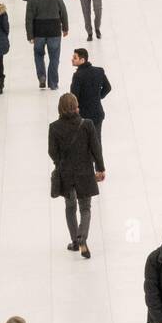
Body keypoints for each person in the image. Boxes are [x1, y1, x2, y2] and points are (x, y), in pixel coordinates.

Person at [48, 93, 104, 260]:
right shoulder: (86, 124)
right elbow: (96, 148)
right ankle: (82, 237)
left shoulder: (54, 127)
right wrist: (100, 168)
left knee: (70, 207)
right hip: (85, 172)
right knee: (85, 208)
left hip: (66, 174)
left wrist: (60, 163)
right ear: (76, 106)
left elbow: (52, 152)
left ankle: (74, 240)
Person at [26, 0, 69, 90]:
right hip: (54, 31)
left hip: (38, 32)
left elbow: (29, 18)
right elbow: (63, 12)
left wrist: (30, 35)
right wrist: (65, 28)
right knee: (54, 57)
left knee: (39, 55)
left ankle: (41, 76)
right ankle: (53, 83)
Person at [70, 47, 111, 154]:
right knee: (97, 140)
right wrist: (98, 97)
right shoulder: (99, 71)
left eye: (75, 58)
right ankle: (99, 168)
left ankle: (87, 167)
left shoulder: (78, 76)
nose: (72, 59)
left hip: (83, 115)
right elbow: (108, 88)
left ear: (82, 60)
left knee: (84, 142)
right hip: (97, 113)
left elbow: (74, 97)